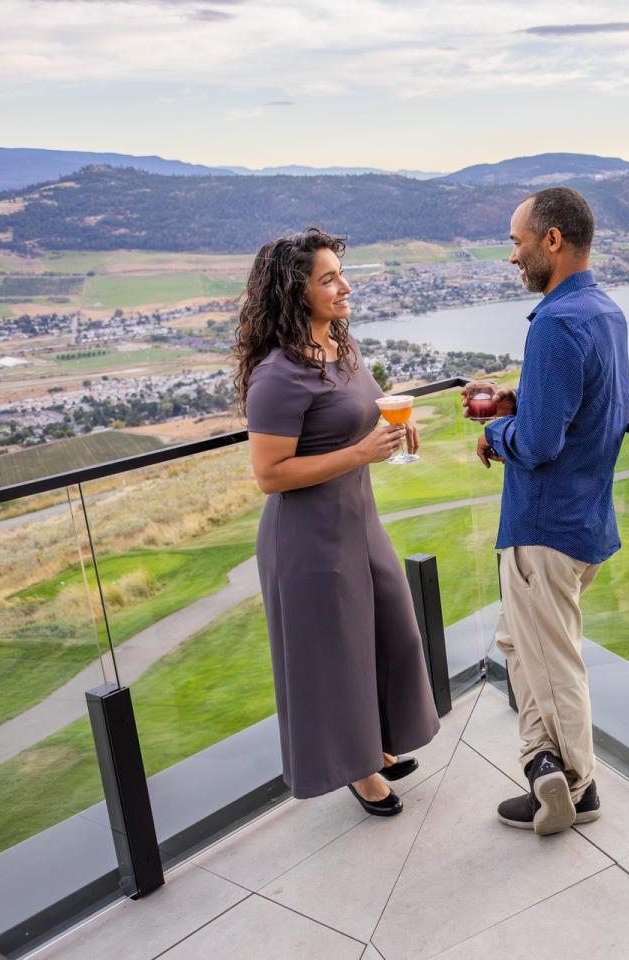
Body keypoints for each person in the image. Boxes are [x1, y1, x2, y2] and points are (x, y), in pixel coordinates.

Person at [234, 228, 439, 817]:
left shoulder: (342, 350)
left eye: (341, 274)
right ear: (293, 293)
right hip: (308, 540)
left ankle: (375, 743)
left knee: (389, 634)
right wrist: (360, 454)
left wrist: (397, 432)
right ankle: (360, 770)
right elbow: (270, 475)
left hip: (359, 522)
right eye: (328, 280)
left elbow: (362, 415)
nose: (344, 287)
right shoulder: (277, 374)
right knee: (336, 656)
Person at [471, 188, 629, 835]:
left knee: (554, 659)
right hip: (585, 520)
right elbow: (588, 405)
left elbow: (537, 443)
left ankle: (581, 787)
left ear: (552, 240)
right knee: (521, 644)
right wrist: (516, 400)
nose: (513, 256)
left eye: (517, 241)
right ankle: (544, 768)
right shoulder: (604, 313)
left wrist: (494, 435)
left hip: (545, 527)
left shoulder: (558, 323)